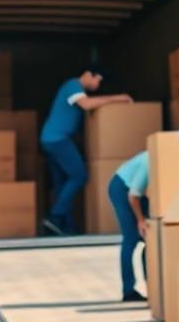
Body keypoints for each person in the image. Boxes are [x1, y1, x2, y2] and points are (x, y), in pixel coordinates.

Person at [39, 65, 133, 236]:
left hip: (51, 139)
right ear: (89, 75)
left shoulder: (75, 88)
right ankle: (55, 216)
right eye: (98, 81)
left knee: (63, 182)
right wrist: (118, 98)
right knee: (79, 175)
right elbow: (87, 104)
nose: (98, 86)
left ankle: (64, 226)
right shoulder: (73, 85)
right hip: (57, 139)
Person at [108, 149, 150, 302]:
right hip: (122, 187)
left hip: (139, 193)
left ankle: (153, 286)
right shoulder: (149, 164)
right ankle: (128, 290)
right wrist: (140, 220)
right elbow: (133, 196)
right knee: (131, 238)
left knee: (150, 238)